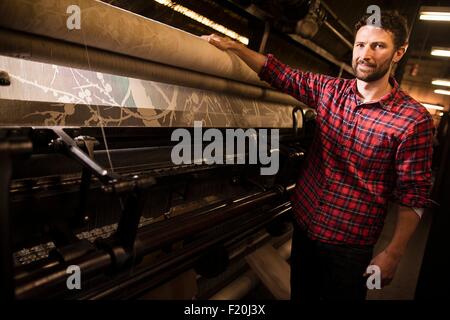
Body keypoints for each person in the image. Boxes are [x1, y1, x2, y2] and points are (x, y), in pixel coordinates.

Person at [202, 10, 435, 301]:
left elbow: (413, 194)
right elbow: (279, 73)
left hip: (349, 246)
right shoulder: (330, 91)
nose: (365, 54)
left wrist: (394, 253)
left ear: (399, 52)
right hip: (306, 226)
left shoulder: (412, 120)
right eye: (360, 45)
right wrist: (234, 46)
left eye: (378, 46)